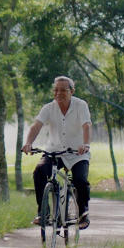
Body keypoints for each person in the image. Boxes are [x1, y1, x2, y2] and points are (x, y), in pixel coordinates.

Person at [21, 76, 92, 230]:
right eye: (56, 90)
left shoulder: (81, 105)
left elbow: (86, 126)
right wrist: (28, 143)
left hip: (78, 152)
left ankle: (83, 213)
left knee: (80, 179)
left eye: (63, 90)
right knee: (39, 172)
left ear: (72, 91)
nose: (58, 93)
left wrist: (86, 144)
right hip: (54, 151)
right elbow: (36, 126)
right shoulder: (48, 108)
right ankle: (44, 212)